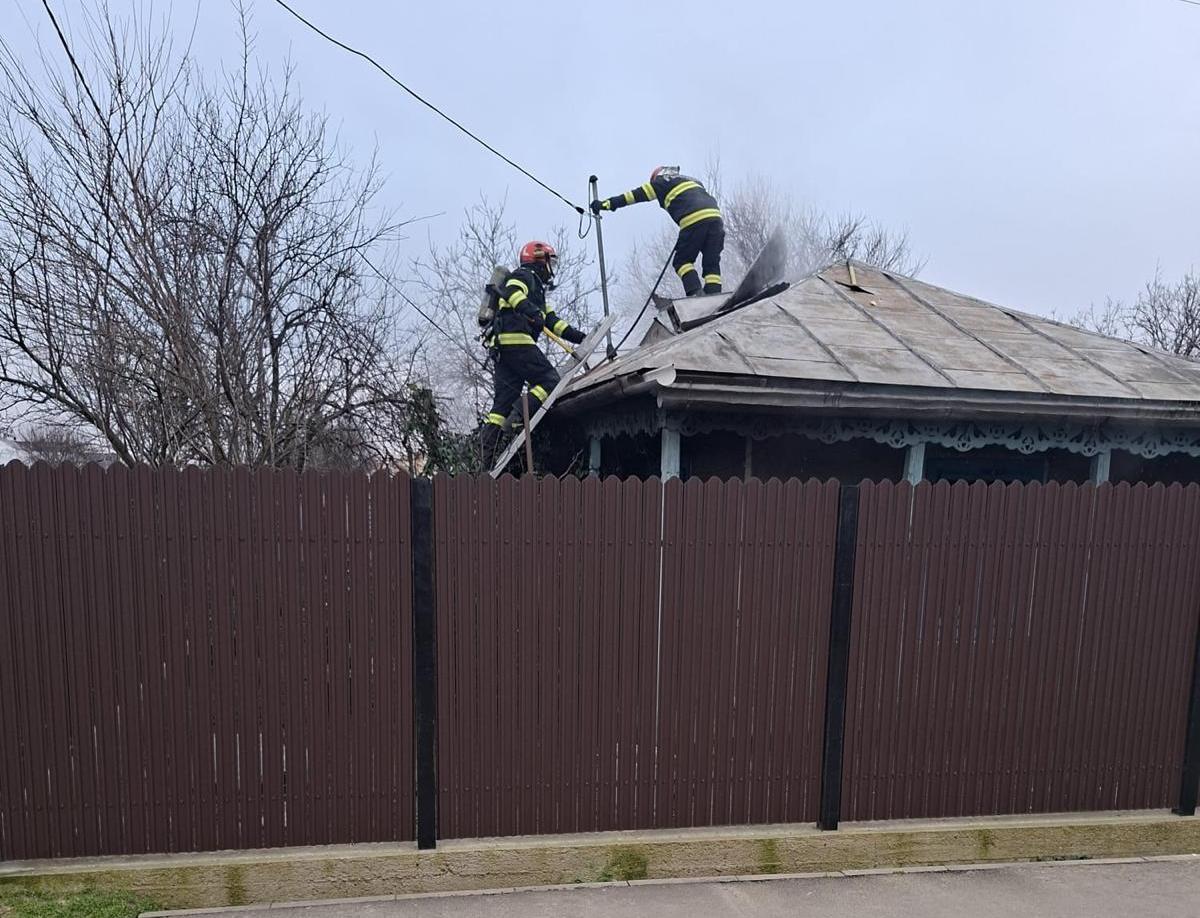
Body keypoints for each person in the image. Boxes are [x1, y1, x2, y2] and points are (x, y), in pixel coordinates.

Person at [480, 240, 587, 467]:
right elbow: (511, 292)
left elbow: (552, 322)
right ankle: (519, 417)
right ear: (540, 260)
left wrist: (581, 337)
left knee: (502, 405)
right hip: (517, 342)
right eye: (550, 263)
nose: (551, 269)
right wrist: (532, 312)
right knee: (550, 381)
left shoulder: (538, 291)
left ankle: (485, 460)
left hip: (503, 349)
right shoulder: (525, 275)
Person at [591, 166, 725, 296]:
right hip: (716, 219)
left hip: (692, 219)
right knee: (711, 262)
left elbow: (632, 196)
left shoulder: (661, 182)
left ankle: (696, 294)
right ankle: (715, 295)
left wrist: (605, 204)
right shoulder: (693, 181)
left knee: (682, 262)